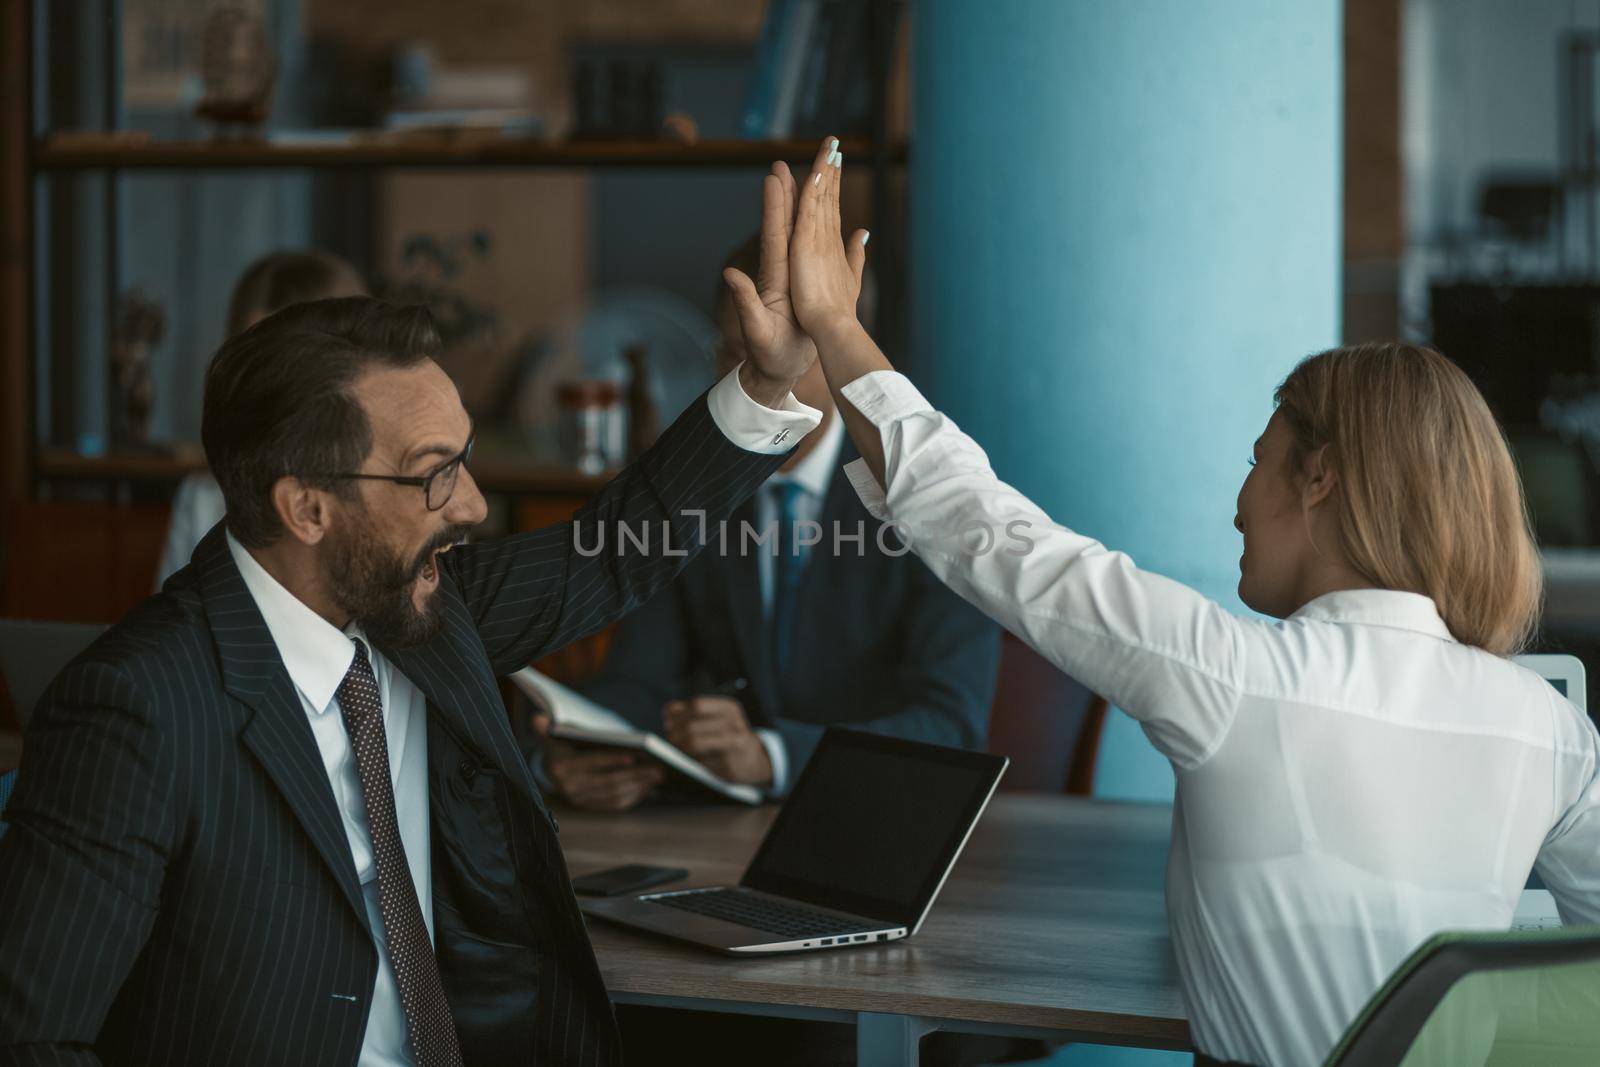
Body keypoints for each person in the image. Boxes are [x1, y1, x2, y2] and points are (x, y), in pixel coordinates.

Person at [728, 138, 1600, 1067]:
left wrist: (833, 323)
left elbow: (984, 530)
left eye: (1257, 461)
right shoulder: (1549, 729)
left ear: (1318, 478)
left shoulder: (1236, 679)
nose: (1237, 502)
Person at [0, 294, 823, 1063]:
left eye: (462, 459)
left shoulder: (426, 605)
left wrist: (764, 382)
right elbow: (35, 1038)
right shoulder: (137, 707)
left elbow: (614, 546)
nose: (469, 505)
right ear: (307, 509)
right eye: (434, 472)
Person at [542, 234, 1000, 813]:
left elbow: (950, 729)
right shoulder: (687, 490)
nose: (764, 378)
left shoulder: (931, 495)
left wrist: (776, 756)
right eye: (739, 352)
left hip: (880, 822)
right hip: (715, 832)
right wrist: (580, 751)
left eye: (791, 353)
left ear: (851, 355)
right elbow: (639, 678)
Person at [156, 249, 369, 586]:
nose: (266, 383)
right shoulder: (204, 496)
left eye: (285, 361)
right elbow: (165, 624)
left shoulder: (407, 487)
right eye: (251, 359)